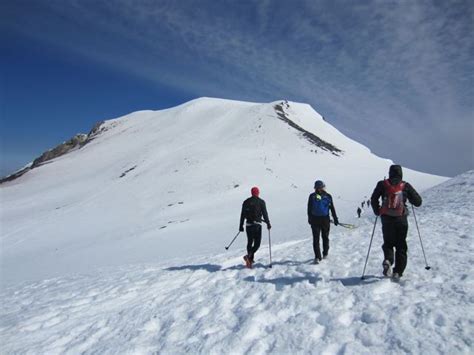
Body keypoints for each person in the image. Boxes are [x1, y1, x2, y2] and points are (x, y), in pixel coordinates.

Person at [370, 165, 422, 280]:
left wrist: (377, 211)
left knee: (388, 243)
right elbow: (418, 202)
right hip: (401, 219)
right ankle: (398, 271)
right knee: (401, 245)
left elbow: (373, 199)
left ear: (389, 173)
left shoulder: (382, 184)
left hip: (386, 219)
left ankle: (388, 260)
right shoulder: (405, 186)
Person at [307, 180, 338, 264]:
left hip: (321, 220)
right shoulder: (322, 196)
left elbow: (332, 208)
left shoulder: (316, 196)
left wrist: (335, 218)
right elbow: (309, 208)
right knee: (320, 238)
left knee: (322, 238)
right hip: (319, 220)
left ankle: (323, 254)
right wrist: (309, 218)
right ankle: (319, 256)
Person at [239, 187, 271, 268]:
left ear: (251, 193)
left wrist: (241, 226)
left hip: (248, 225)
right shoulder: (261, 202)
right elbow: (265, 214)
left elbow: (242, 215)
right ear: (258, 193)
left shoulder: (246, 202)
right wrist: (268, 223)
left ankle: (250, 260)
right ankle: (249, 257)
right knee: (257, 244)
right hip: (257, 225)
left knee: (249, 242)